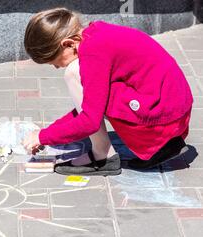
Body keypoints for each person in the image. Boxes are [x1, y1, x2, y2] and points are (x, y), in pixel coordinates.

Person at [23, 8, 193, 176]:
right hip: (174, 110)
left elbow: (90, 120)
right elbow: (89, 104)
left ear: (68, 44)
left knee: (73, 72)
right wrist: (48, 131)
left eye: (54, 61)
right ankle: (166, 145)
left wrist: (44, 137)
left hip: (163, 117)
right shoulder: (96, 34)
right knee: (93, 91)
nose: (56, 67)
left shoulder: (93, 53)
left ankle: (102, 156)